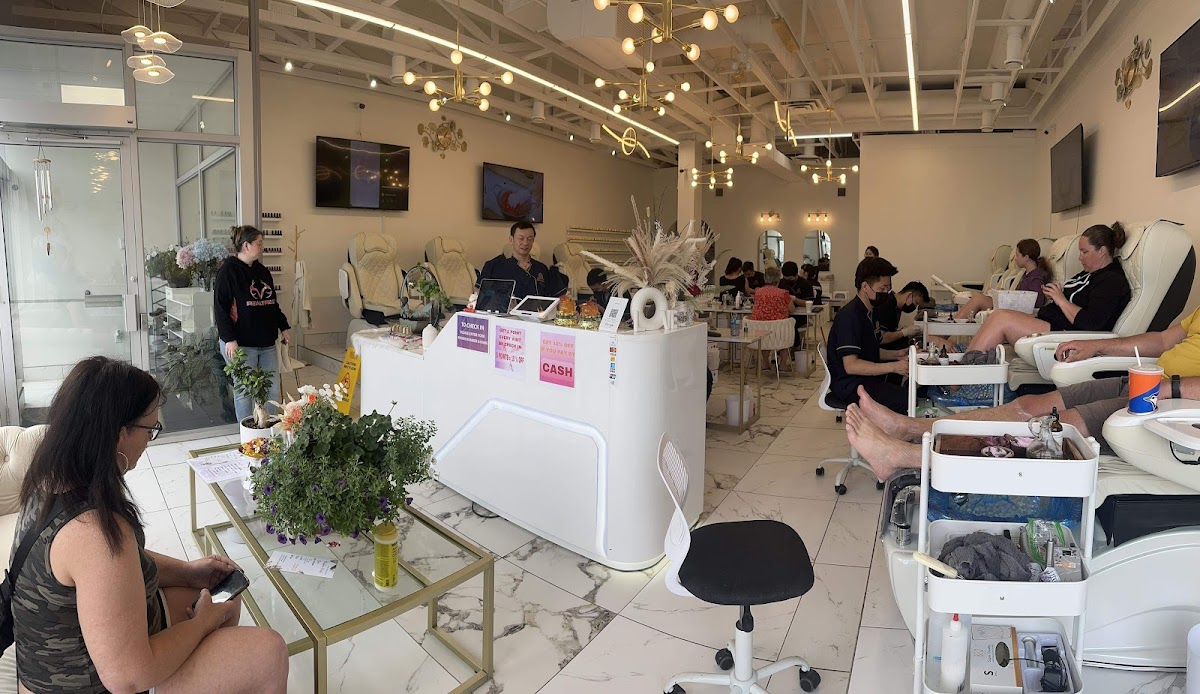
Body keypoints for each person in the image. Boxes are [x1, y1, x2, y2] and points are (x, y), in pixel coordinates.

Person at [11, 357, 289, 694]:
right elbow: (128, 677)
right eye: (150, 430)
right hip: (90, 680)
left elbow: (113, 570)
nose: (149, 440)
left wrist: (188, 572)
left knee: (221, 597)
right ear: (120, 435)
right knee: (270, 651)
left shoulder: (51, 478)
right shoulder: (91, 532)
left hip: (84, 649)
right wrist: (203, 623)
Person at [846, 303, 1200, 480]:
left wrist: (1171, 388)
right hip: (1153, 382)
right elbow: (1162, 340)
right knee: (1030, 405)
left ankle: (902, 455)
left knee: (1054, 430)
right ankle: (907, 426)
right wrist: (1096, 346)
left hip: (1177, 403)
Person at [957, 223, 1131, 355]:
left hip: (1064, 334)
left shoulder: (1111, 280)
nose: (1080, 257)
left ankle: (958, 380)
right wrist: (1057, 295)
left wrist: (1060, 300)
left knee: (1000, 319)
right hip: (1050, 322)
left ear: (1102, 251)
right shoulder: (1089, 274)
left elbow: (1092, 324)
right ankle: (961, 364)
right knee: (998, 315)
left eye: (1084, 252)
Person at [215, 225, 290, 423]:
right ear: (246, 245)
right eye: (259, 243)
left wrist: (283, 326)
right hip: (241, 344)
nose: (262, 246)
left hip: (266, 342)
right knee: (244, 392)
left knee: (272, 388)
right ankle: (247, 433)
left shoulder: (263, 272)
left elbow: (271, 303)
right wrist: (229, 339)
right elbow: (221, 310)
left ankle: (270, 427)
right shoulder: (227, 272)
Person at [827, 257, 910, 413]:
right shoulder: (849, 317)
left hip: (862, 378)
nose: (886, 294)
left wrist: (897, 355)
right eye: (882, 289)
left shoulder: (871, 311)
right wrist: (893, 367)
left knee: (904, 387)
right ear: (865, 286)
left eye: (888, 289)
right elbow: (851, 365)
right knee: (905, 400)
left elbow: (869, 350)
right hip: (849, 384)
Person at [954, 238, 1054, 320]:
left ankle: (952, 326)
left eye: (1017, 255)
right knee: (977, 298)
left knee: (977, 299)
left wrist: (1010, 299)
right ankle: (953, 324)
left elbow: (1037, 303)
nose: (1015, 259)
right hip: (1012, 306)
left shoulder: (1036, 278)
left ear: (1026, 257)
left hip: (1016, 310)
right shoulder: (1028, 274)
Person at [478, 222, 566, 300]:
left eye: (529, 239)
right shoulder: (494, 266)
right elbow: (480, 293)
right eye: (521, 238)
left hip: (538, 312)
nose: (525, 243)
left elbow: (557, 297)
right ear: (511, 240)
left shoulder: (542, 268)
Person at [875, 281, 931, 349]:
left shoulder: (896, 307)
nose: (915, 307)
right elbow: (881, 338)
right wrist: (905, 332)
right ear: (909, 295)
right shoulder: (886, 306)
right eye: (916, 302)